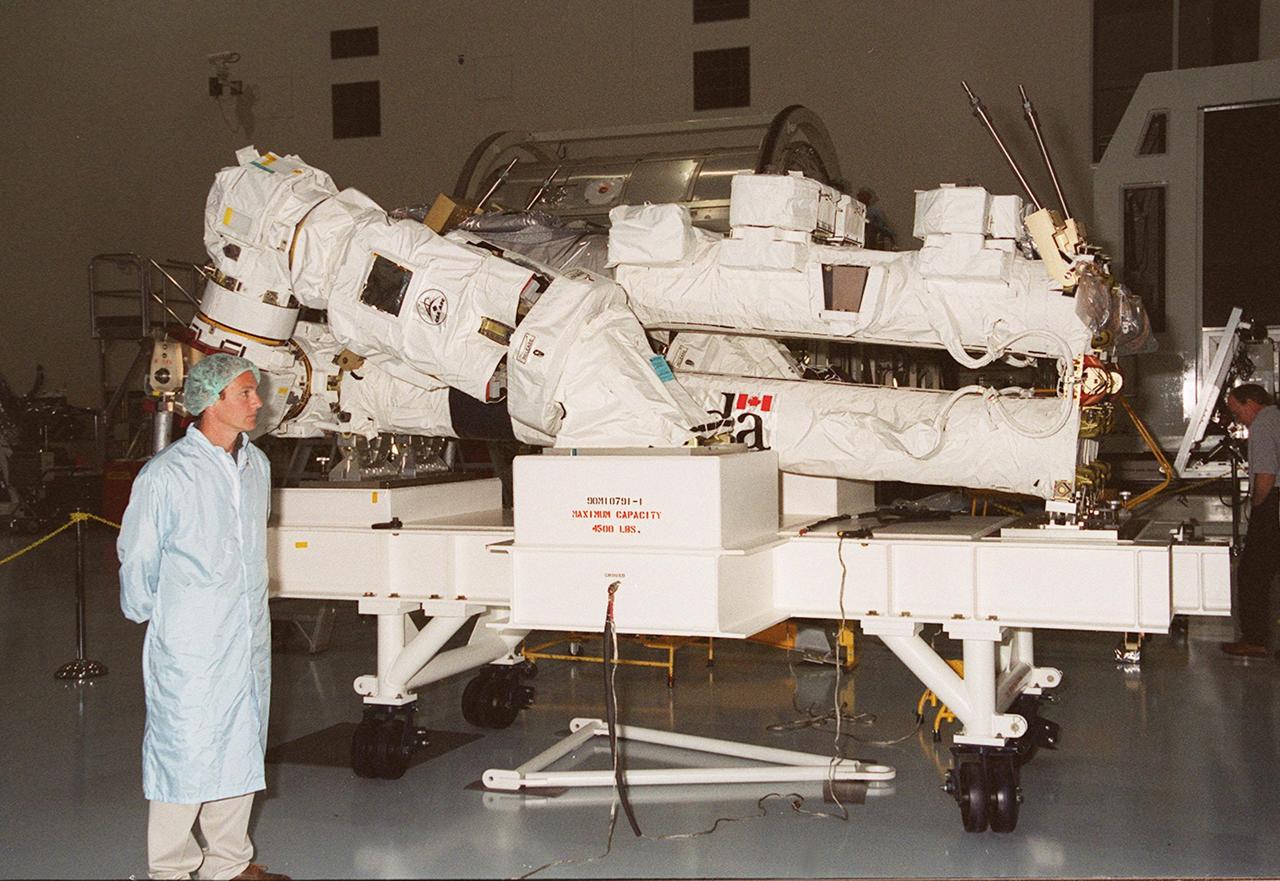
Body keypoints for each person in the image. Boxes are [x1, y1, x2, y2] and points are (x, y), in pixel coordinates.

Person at [118, 353, 289, 880]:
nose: (257, 401)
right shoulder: (166, 475)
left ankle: (230, 864)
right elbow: (139, 554)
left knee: (241, 739)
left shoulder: (256, 465)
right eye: (244, 392)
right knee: (185, 746)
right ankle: (170, 869)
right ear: (211, 402)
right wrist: (157, 613)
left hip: (246, 630)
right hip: (191, 634)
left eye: (254, 391)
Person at [1222, 382, 1280, 658]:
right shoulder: (1276, 418)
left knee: (1252, 574)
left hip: (1272, 504)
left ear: (1251, 404)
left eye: (1237, 412)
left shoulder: (1262, 425)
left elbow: (1266, 475)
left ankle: (1255, 639)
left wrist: (1256, 506)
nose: (1239, 420)